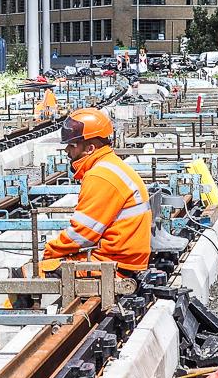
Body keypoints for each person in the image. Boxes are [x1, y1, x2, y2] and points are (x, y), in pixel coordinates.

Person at [40, 107, 151, 278]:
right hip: (124, 259)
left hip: (111, 264)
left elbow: (81, 234)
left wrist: (49, 252)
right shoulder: (112, 165)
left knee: (29, 272)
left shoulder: (100, 176)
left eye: (72, 145)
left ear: (90, 148)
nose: (67, 151)